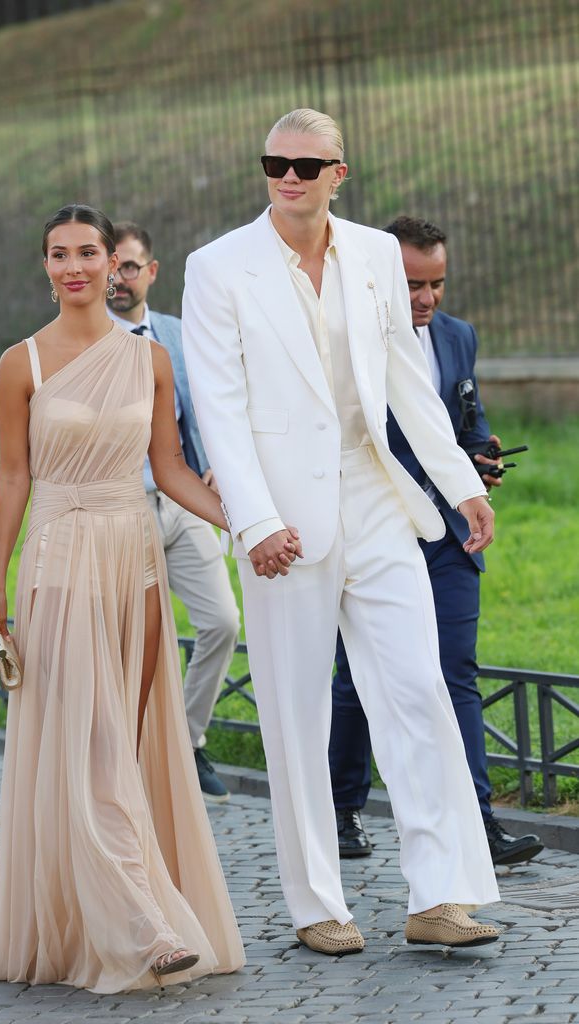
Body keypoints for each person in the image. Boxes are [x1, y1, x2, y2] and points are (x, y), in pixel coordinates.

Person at [182, 109, 501, 955]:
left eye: (306, 164)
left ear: (339, 172)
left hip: (375, 497)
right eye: (275, 163)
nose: (288, 176)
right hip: (280, 516)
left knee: (417, 690)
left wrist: (461, 483)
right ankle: (318, 902)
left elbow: (405, 377)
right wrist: (252, 519)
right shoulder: (217, 268)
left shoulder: (372, 255)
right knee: (295, 713)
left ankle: (438, 897)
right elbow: (219, 405)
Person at [0, 204, 244, 992]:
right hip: (58, 559)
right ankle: (145, 925)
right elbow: (13, 475)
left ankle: (109, 918)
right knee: (90, 742)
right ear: (47, 266)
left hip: (136, 561)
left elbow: (168, 467)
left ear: (115, 263)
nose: (74, 267)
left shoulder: (151, 360)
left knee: (123, 740)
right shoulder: (21, 360)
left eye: (88, 253)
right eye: (58, 254)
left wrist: (246, 522)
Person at [330, 216, 544, 868]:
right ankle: (341, 810)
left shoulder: (458, 336)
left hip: (449, 536)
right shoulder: (346, 340)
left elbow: (468, 423)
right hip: (374, 530)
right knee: (359, 680)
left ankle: (479, 825)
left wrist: (480, 458)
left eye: (437, 283)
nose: (425, 298)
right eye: (413, 283)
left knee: (456, 674)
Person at [106, 221, 240, 803]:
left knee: (222, 623)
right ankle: (127, 756)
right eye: (111, 267)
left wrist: (218, 466)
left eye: (129, 267)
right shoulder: (88, 342)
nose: (118, 279)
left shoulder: (179, 335)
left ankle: (186, 741)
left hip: (183, 499)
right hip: (121, 505)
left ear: (151, 272)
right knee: (133, 639)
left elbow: (212, 406)